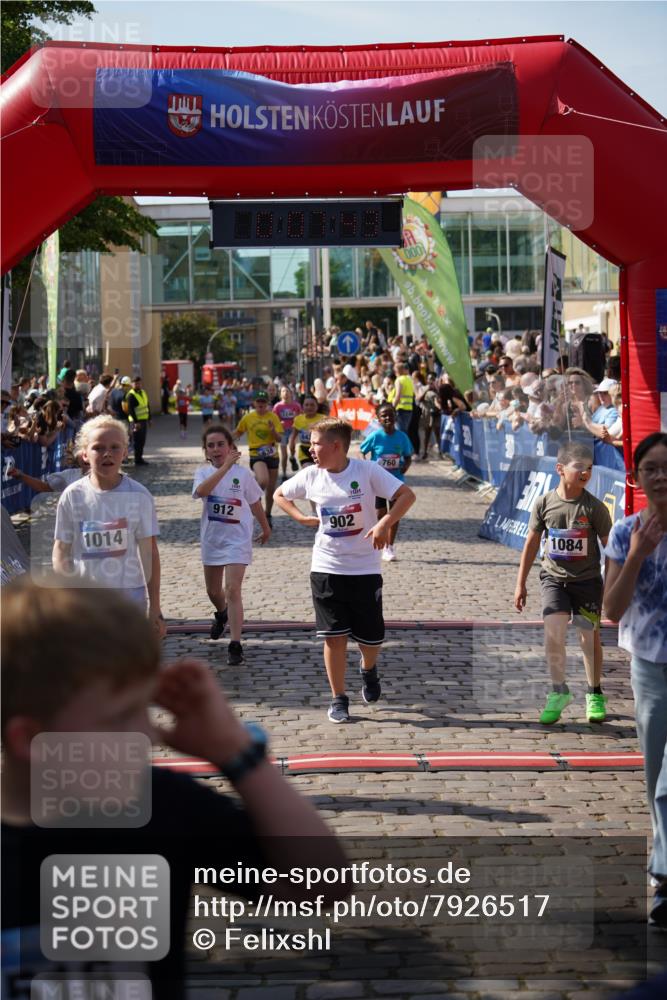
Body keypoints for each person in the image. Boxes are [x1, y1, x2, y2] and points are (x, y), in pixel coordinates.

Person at [1, 579, 347, 1000]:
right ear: (29, 741)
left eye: (145, 709)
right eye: (121, 718)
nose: (150, 735)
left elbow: (321, 885)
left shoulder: (162, 807)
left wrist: (236, 753)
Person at [274, 418, 416, 723]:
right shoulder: (311, 476)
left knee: (371, 638)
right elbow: (279, 495)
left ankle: (368, 668)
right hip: (326, 566)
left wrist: (382, 524)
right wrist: (300, 517)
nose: (309, 448)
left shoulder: (366, 471)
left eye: (314, 443)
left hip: (364, 568)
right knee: (333, 637)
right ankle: (338, 698)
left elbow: (406, 496)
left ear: (335, 445)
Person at [603, 432, 667, 926]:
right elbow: (611, 610)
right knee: (655, 782)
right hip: (649, 666)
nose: (661, 476)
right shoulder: (624, 533)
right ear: (636, 477)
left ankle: (665, 878)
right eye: (652, 468)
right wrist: (640, 553)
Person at [513, 441, 612, 724]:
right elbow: (531, 544)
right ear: (560, 469)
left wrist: (614, 582)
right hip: (553, 579)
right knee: (553, 632)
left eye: (589, 468)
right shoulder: (544, 503)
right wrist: (520, 584)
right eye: (579, 467)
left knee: (588, 638)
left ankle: (594, 693)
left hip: (588, 582)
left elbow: (611, 548)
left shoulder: (595, 508)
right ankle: (559, 691)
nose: (585, 473)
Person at [51, 415, 164, 637]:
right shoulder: (72, 496)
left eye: (114, 447)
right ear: (84, 454)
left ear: (125, 452)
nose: (107, 454)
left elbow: (149, 553)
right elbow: (61, 549)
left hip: (129, 598)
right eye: (98, 448)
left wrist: (156, 608)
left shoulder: (139, 495)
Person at [193, 424, 270, 665]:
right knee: (213, 591)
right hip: (213, 540)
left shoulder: (243, 475)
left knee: (232, 589)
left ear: (230, 447)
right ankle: (222, 613)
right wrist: (225, 468)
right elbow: (202, 491)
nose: (216, 449)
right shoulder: (203, 473)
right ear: (206, 451)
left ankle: (235, 644)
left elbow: (255, 502)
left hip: (238, 539)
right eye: (211, 445)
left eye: (220, 444)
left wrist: (265, 527)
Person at [359, 403, 413, 563]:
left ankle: (389, 546)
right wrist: (367, 467)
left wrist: (405, 467)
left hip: (395, 482)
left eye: (390, 415)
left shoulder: (402, 437)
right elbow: (362, 451)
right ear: (378, 419)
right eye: (384, 415)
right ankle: (379, 542)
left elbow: (408, 456)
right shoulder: (375, 436)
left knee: (394, 514)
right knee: (380, 514)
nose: (387, 418)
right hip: (377, 482)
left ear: (395, 416)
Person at [233, 391, 283, 528]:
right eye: (258, 402)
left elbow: (280, 438)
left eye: (263, 402)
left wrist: (273, 431)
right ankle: (253, 496)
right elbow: (238, 432)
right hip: (256, 454)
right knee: (263, 480)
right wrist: (225, 441)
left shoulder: (273, 416)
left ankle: (267, 514)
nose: (261, 405)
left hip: (272, 454)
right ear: (254, 403)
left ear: (267, 403)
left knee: (271, 489)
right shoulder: (248, 418)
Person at [273, 386, 302, 481]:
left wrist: (297, 419)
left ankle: (293, 457)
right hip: (282, 431)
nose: (285, 393)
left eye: (287, 391)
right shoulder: (278, 406)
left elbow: (302, 416)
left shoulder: (296, 405)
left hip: (293, 429)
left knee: (292, 446)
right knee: (284, 455)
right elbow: (274, 419)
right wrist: (278, 423)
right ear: (280, 394)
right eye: (283, 391)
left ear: (291, 393)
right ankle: (284, 474)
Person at [290, 395, 325, 470]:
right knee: (310, 471)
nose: (309, 407)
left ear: (317, 406)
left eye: (312, 405)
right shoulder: (298, 419)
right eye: (306, 405)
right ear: (302, 406)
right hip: (304, 451)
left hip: (320, 451)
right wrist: (292, 455)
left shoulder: (323, 419)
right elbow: (293, 437)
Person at [126, 375, 151, 466]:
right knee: (137, 440)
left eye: (139, 383)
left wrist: (149, 419)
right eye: (136, 383)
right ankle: (137, 459)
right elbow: (131, 410)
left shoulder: (143, 392)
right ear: (132, 384)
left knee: (142, 440)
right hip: (136, 422)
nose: (138, 385)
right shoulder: (131, 395)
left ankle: (140, 458)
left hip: (143, 420)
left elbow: (147, 406)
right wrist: (136, 422)